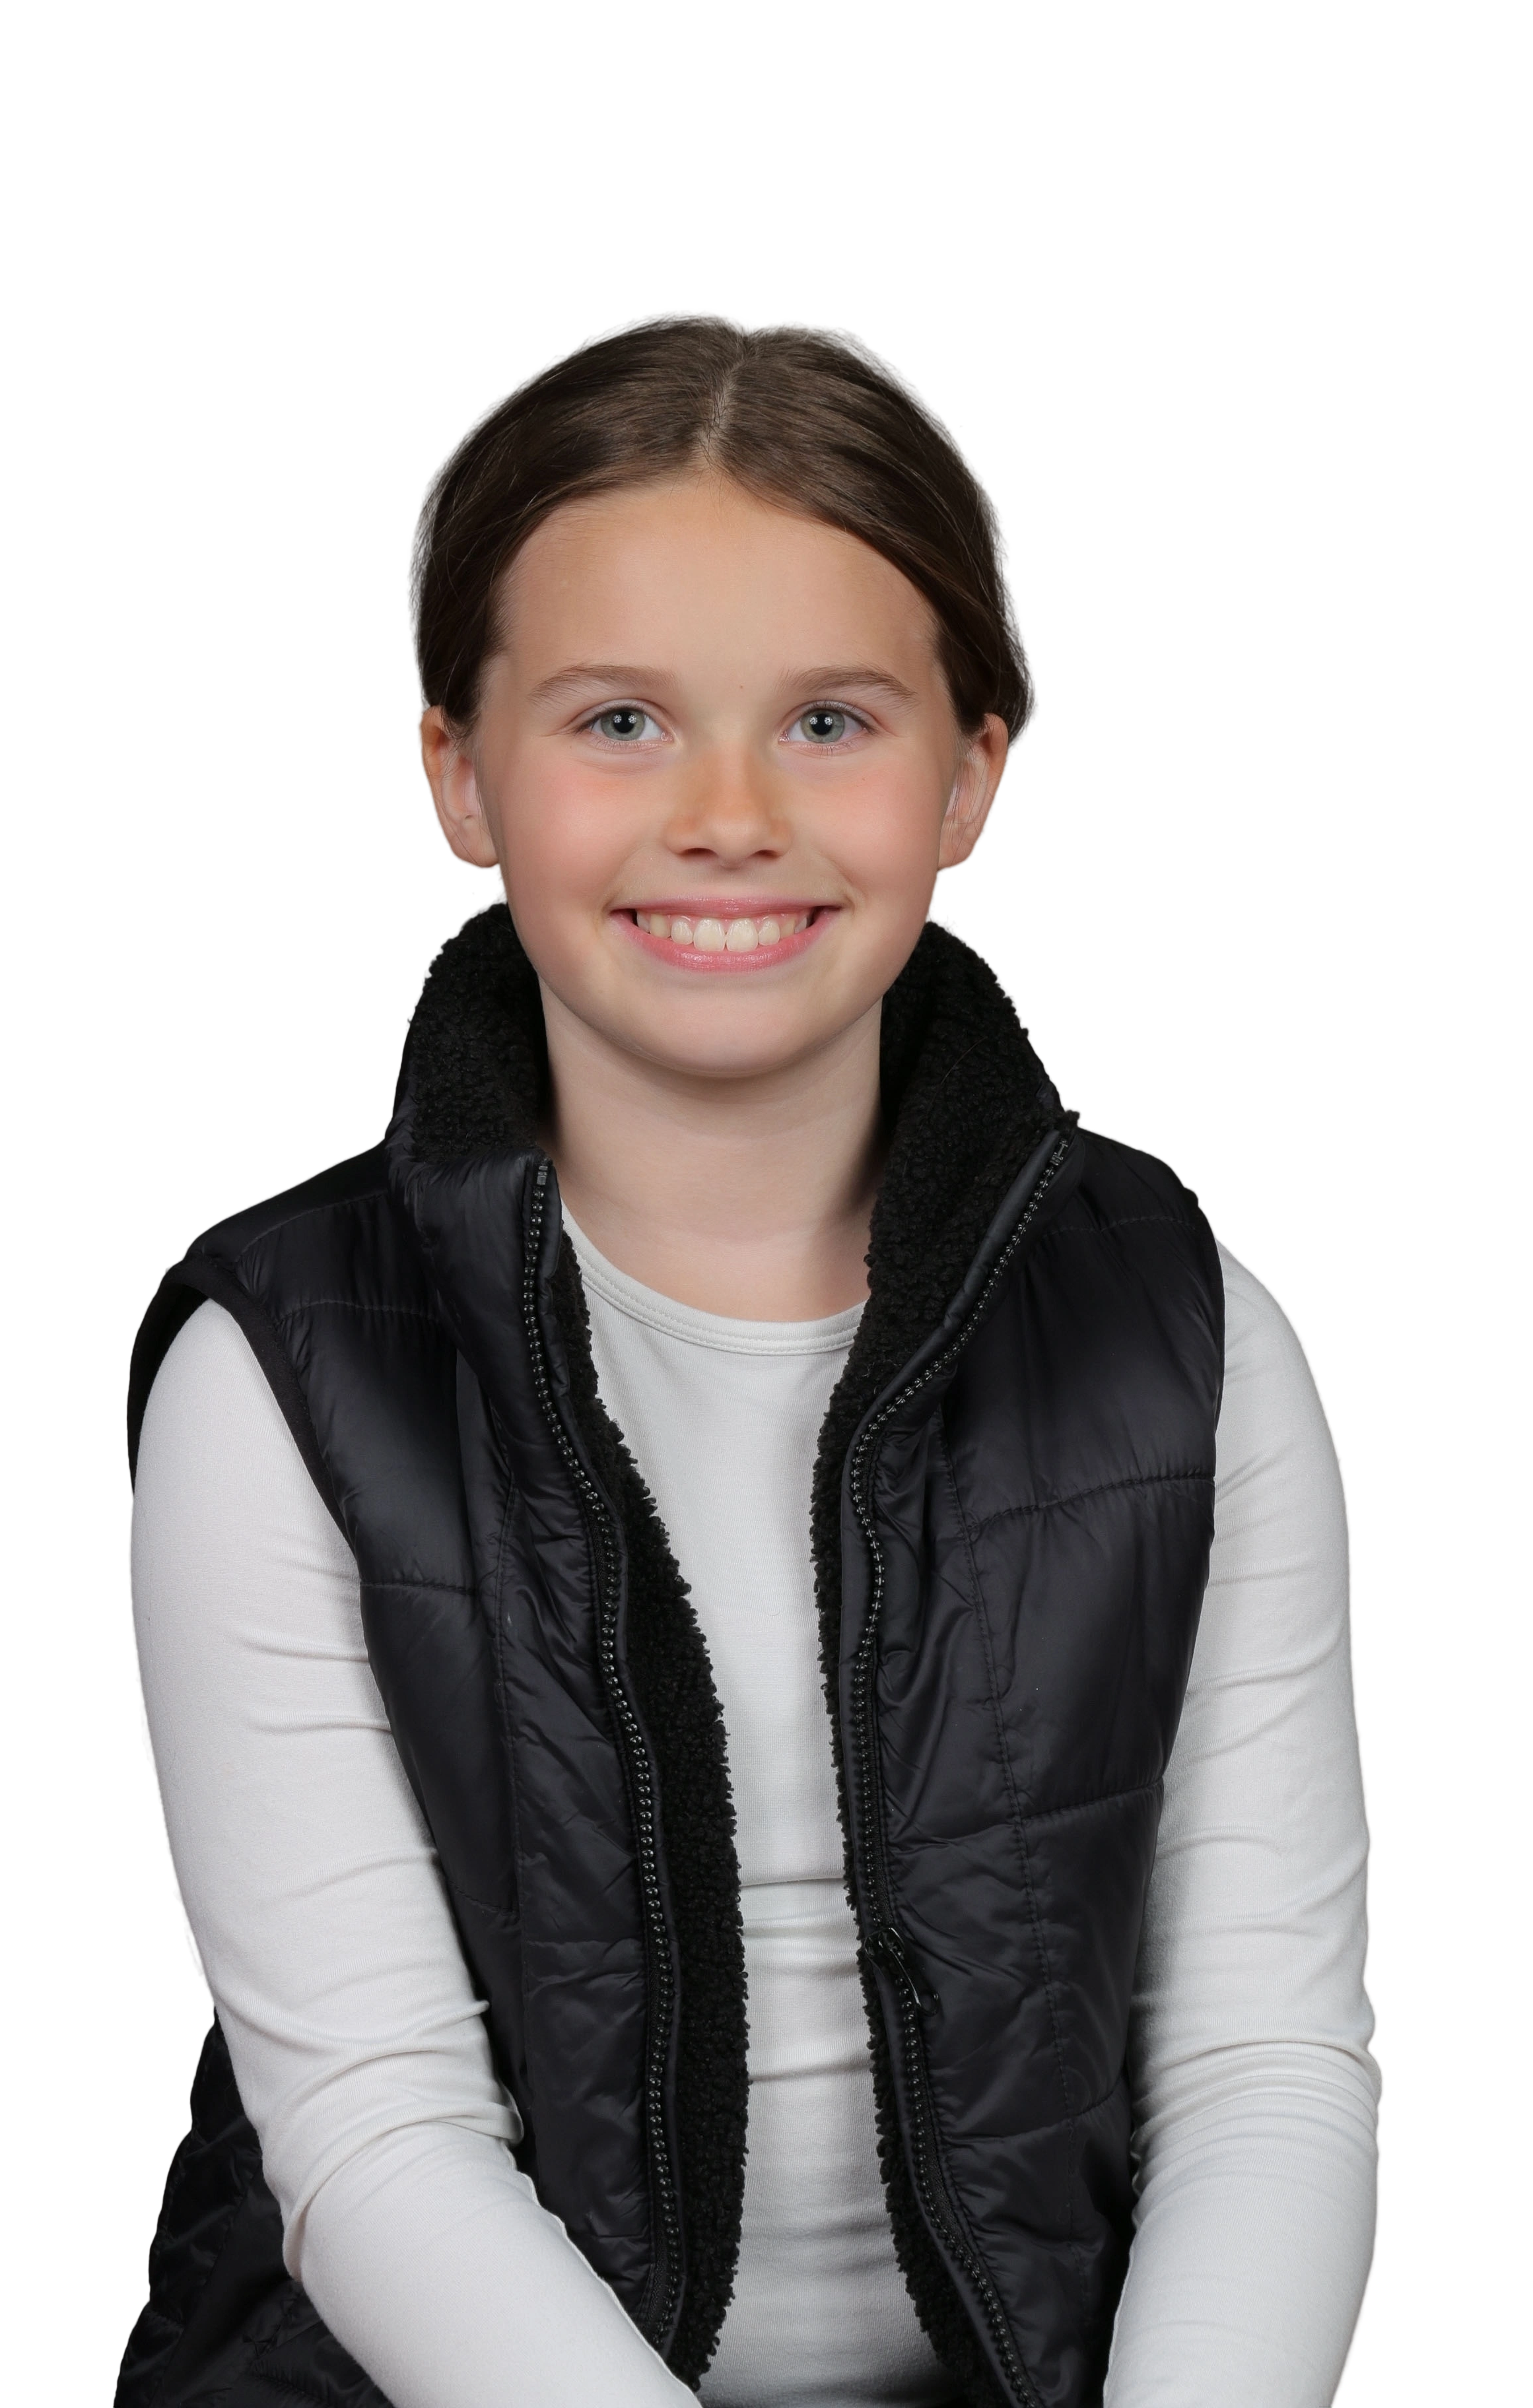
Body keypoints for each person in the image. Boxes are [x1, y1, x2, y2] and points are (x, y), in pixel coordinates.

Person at [114, 308, 1382, 2408]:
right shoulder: (282, 1372)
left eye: (829, 720)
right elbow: (376, 2143)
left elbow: (1263, 2062)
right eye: (619, 719)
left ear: (969, 775)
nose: (727, 814)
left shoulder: (1184, 1330)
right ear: (461, 773)